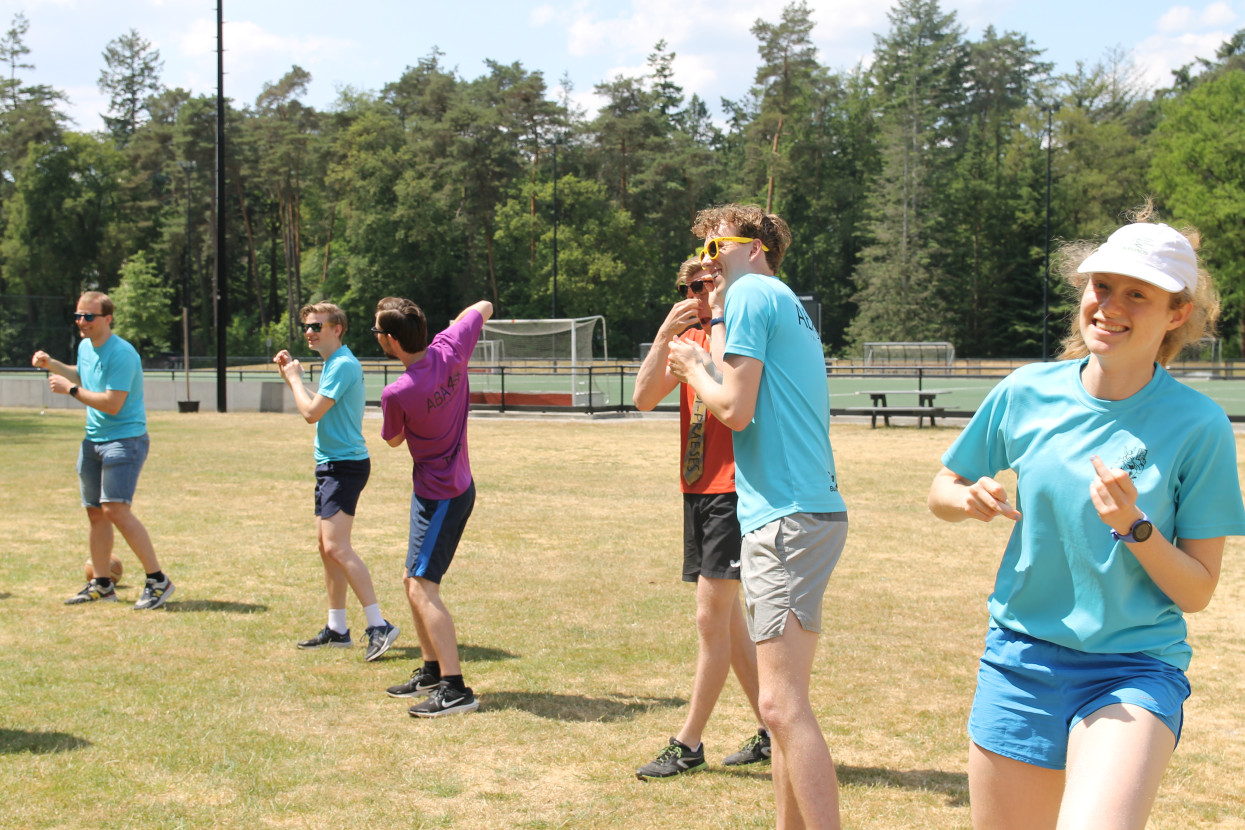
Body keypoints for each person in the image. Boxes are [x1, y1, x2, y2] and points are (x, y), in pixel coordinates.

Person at [927, 213, 1245, 830]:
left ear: (1176, 314)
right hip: (1019, 660)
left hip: (1132, 669)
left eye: (1137, 294)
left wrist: (1136, 527)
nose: (1109, 305)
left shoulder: (1200, 426)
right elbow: (944, 486)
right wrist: (968, 499)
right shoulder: (1025, 392)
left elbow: (1198, 590)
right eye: (1100, 286)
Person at [667, 204, 848, 829]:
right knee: (781, 705)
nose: (708, 264)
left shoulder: (752, 294)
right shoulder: (778, 298)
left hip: (788, 518)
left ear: (753, 248)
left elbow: (734, 409)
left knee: (780, 705)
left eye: (715, 251)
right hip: (803, 512)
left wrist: (690, 364)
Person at [632, 257, 768, 780]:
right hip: (698, 488)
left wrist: (709, 338)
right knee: (731, 626)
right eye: (692, 285)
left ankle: (688, 743)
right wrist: (667, 333)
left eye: (709, 283)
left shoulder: (742, 333)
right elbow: (644, 398)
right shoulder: (690, 337)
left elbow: (738, 403)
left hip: (734, 490)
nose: (700, 293)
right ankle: (771, 730)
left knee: (712, 618)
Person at [374, 296, 492, 718]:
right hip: (441, 491)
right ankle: (431, 669)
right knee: (411, 578)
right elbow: (485, 305)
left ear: (390, 341)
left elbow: (392, 440)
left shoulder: (398, 391)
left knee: (424, 587)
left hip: (443, 496)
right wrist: (456, 323)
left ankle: (455, 688)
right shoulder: (451, 345)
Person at [33, 291, 174, 609]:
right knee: (95, 512)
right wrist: (52, 364)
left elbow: (112, 403)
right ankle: (101, 583)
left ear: (107, 318)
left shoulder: (122, 354)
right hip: (93, 440)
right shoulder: (86, 347)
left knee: (115, 509)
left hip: (124, 440)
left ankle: (158, 580)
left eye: (88, 316)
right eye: (78, 316)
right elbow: (85, 376)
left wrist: (70, 391)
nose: (81, 322)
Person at [274, 302, 399, 663]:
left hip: (344, 466)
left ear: (337, 328)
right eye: (307, 327)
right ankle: (337, 629)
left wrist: (295, 380)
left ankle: (379, 625)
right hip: (330, 465)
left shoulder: (343, 364)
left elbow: (311, 413)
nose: (309, 332)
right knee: (325, 547)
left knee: (337, 547)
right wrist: (291, 377)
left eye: (317, 326)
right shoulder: (334, 363)